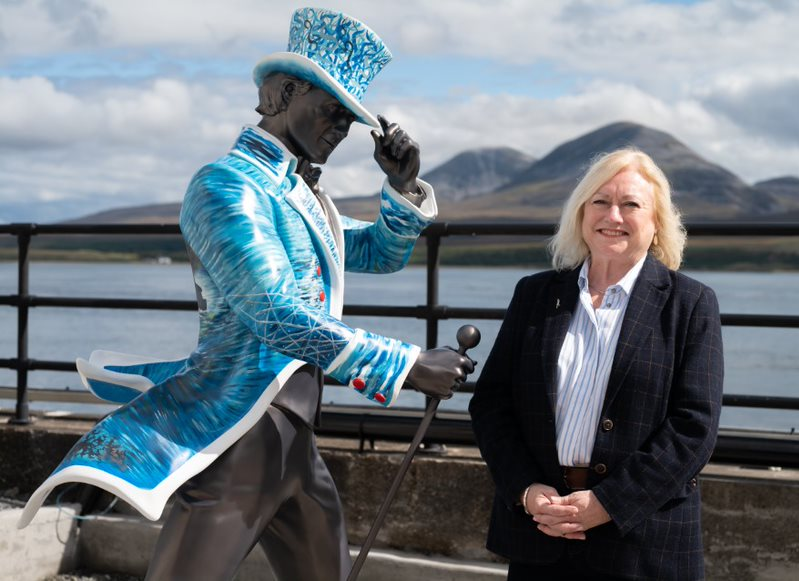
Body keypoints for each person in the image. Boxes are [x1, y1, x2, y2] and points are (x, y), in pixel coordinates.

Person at [19, 7, 473, 581]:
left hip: (293, 445)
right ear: (285, 92)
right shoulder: (224, 187)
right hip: (239, 439)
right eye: (334, 110)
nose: (343, 129)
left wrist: (401, 189)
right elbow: (275, 313)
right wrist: (405, 364)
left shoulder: (302, 197)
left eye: (352, 120)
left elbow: (377, 254)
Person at [469, 148, 724, 580]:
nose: (613, 215)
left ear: (657, 220)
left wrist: (608, 504)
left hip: (642, 545)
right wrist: (528, 492)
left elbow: (693, 427)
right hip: (541, 533)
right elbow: (492, 404)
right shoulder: (534, 294)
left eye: (631, 205)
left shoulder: (691, 303)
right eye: (600, 201)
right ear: (581, 212)